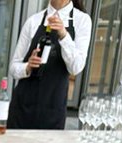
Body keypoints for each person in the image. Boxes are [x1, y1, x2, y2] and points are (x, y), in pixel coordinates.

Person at [7, 0, 92, 130]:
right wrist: (28, 67)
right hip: (22, 108)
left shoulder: (82, 21)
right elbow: (13, 68)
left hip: (53, 111)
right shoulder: (33, 21)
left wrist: (64, 35)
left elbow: (76, 68)